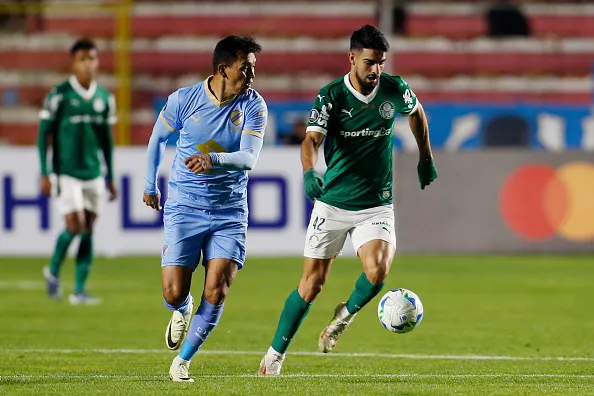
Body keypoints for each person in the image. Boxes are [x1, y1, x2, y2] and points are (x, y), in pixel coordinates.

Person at [258, 25, 437, 375]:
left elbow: (416, 113)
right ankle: (274, 355)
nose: (376, 70)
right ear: (352, 58)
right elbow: (311, 141)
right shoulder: (331, 97)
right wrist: (309, 170)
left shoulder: (394, 89)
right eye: (370, 62)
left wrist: (425, 157)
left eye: (381, 63)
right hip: (333, 203)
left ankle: (344, 317)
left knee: (378, 270)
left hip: (376, 203)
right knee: (311, 286)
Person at [142, 36, 267, 382]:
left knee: (218, 289)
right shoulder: (184, 100)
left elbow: (249, 158)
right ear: (222, 68)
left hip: (229, 213)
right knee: (173, 291)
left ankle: (182, 361)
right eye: (246, 68)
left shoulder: (254, 106)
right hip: (185, 206)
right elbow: (157, 140)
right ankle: (182, 308)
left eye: (254, 68)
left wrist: (212, 159)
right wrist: (149, 185)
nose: (252, 76)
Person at [39, 38, 117, 305]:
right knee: (75, 223)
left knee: (88, 229)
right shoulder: (59, 94)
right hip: (66, 171)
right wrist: (45, 172)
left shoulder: (105, 98)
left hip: (93, 172)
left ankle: (78, 290)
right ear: (74, 63)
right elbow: (43, 135)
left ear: (97, 62)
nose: (88, 64)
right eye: (82, 59)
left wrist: (111, 176)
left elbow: (107, 141)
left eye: (92, 58)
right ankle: (53, 268)